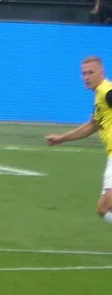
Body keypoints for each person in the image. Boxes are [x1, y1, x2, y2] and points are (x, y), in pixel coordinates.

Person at [45, 56, 112, 223]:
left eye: (90, 72)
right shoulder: (99, 95)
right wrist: (62, 138)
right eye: (83, 73)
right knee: (103, 209)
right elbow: (91, 126)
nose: (86, 77)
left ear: (101, 73)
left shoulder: (107, 91)